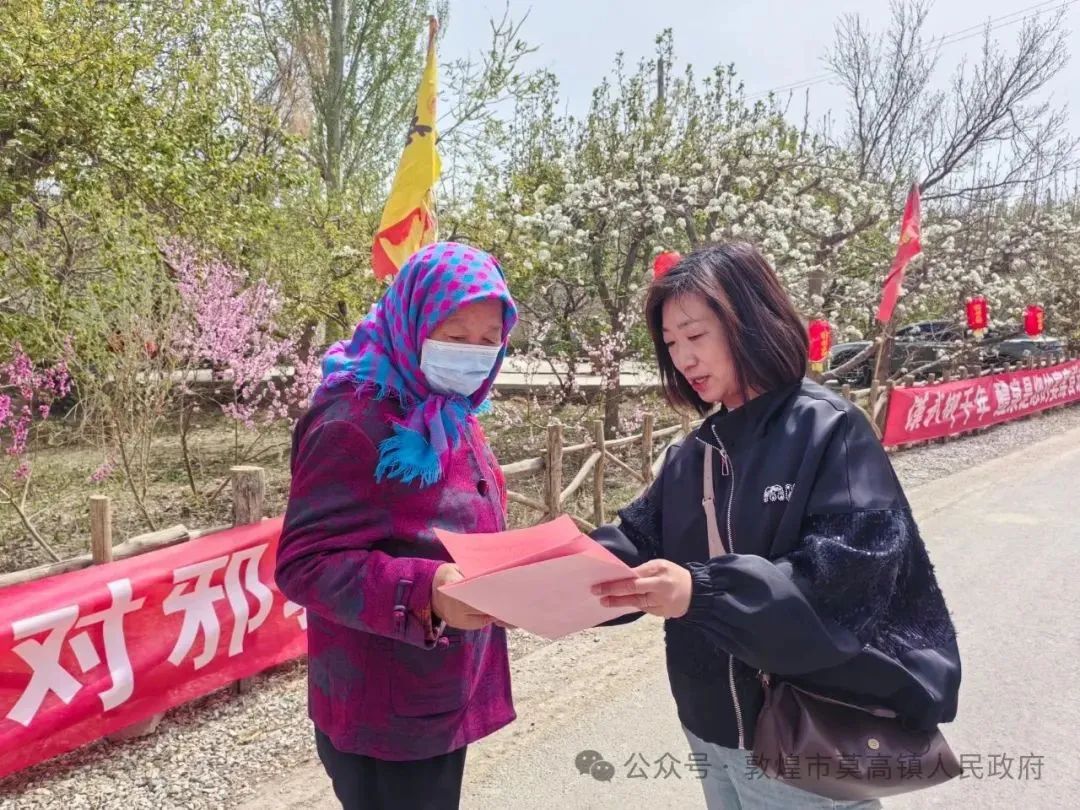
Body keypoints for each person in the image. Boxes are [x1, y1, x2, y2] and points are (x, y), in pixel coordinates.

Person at [589, 242, 961, 809]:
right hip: (707, 723)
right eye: (671, 343)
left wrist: (702, 592)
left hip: (803, 730)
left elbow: (847, 580)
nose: (683, 358)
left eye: (695, 335)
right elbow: (636, 542)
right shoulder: (696, 452)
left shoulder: (828, 429)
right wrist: (544, 573)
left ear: (751, 322)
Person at [275, 242, 519, 810]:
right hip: (383, 710)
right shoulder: (352, 422)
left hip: (438, 686)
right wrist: (427, 592)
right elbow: (304, 563)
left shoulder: (448, 409)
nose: (474, 356)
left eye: (489, 340)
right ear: (413, 322)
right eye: (455, 336)